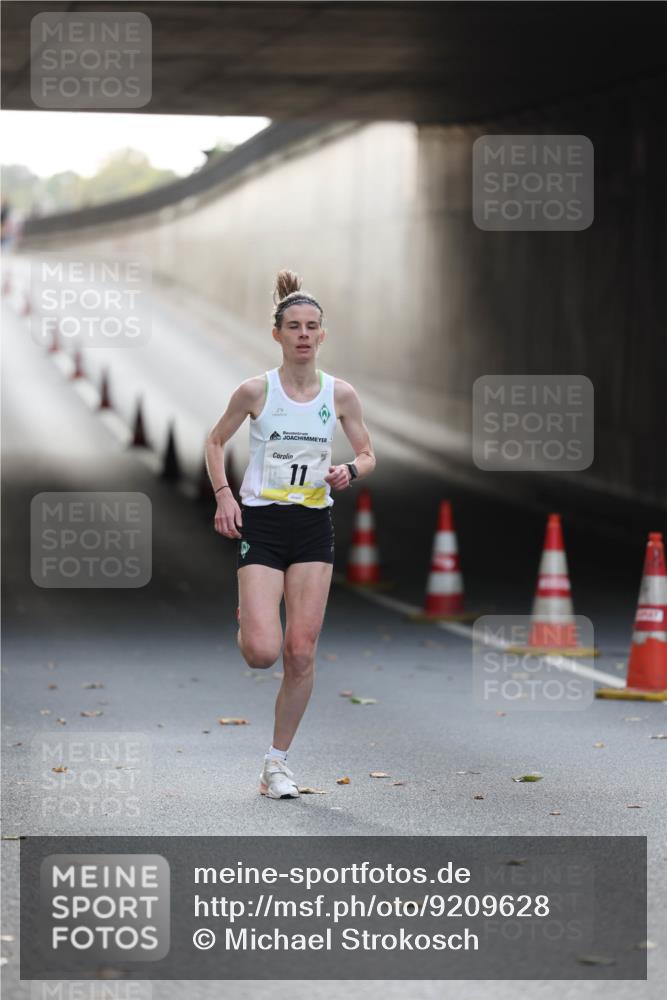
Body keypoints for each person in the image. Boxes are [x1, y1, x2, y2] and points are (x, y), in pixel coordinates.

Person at [206, 269, 376, 798]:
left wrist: (350, 470)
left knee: (300, 651)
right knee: (262, 651)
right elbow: (215, 442)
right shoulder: (256, 391)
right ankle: (248, 616)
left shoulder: (340, 394)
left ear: (322, 336)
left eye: (312, 327)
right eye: (294, 325)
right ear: (277, 333)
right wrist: (224, 496)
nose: (303, 334)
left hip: (311, 527)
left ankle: (276, 765)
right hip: (263, 523)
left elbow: (368, 454)